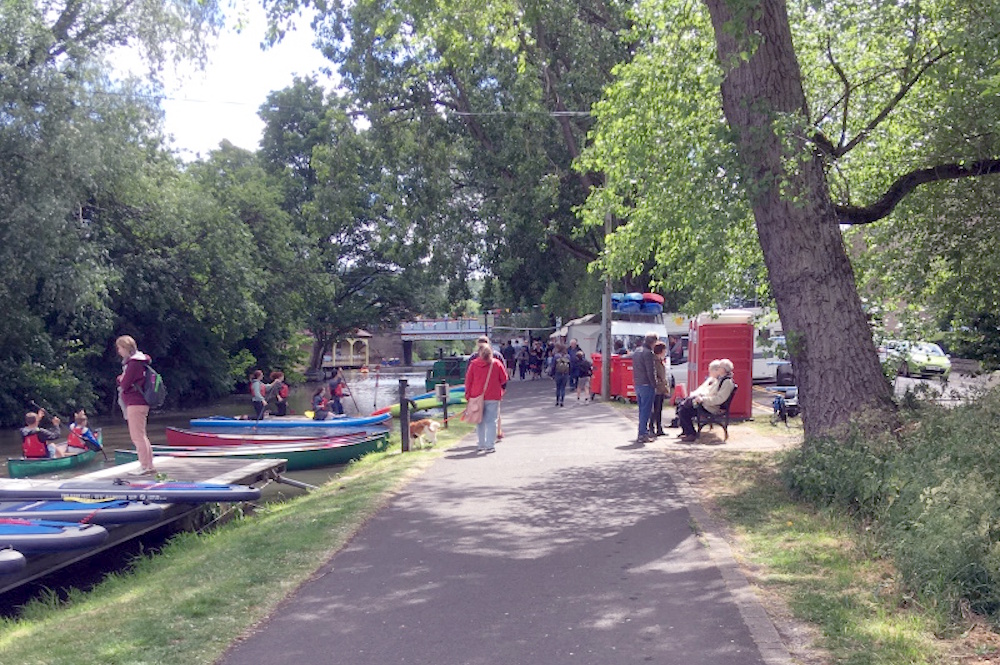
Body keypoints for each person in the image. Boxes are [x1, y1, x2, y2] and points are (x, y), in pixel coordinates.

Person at [116, 334, 156, 475]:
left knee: (137, 436)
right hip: (141, 402)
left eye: (120, 348)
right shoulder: (140, 361)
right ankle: (149, 465)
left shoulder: (133, 363)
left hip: (135, 402)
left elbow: (125, 384)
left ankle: (144, 466)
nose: (118, 351)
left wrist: (120, 379)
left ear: (126, 348)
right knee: (142, 435)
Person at [676, 359, 735, 442]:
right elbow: (711, 392)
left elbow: (719, 399)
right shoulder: (721, 379)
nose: (717, 368)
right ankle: (688, 432)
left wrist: (703, 399)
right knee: (683, 406)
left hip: (712, 407)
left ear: (724, 369)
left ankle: (691, 434)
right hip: (708, 404)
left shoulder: (727, 382)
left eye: (719, 367)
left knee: (684, 410)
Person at [464, 344, 508, 453]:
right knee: (491, 421)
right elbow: (504, 379)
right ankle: (490, 445)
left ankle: (481, 443)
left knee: (479, 421)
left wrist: (468, 395)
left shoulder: (473, 364)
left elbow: (468, 381)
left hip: (477, 396)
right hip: (493, 395)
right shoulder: (497, 364)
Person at [631, 332, 659, 443]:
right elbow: (650, 371)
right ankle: (643, 434)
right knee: (646, 411)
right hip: (647, 384)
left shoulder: (637, 351)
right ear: (653, 342)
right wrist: (654, 384)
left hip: (638, 383)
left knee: (642, 410)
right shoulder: (648, 353)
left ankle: (641, 432)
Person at [648, 341, 670, 436]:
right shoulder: (655, 362)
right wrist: (661, 384)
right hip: (657, 389)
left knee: (659, 409)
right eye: (664, 350)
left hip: (661, 389)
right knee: (655, 409)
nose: (665, 352)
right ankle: (651, 427)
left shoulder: (660, 361)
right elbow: (656, 375)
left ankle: (659, 428)